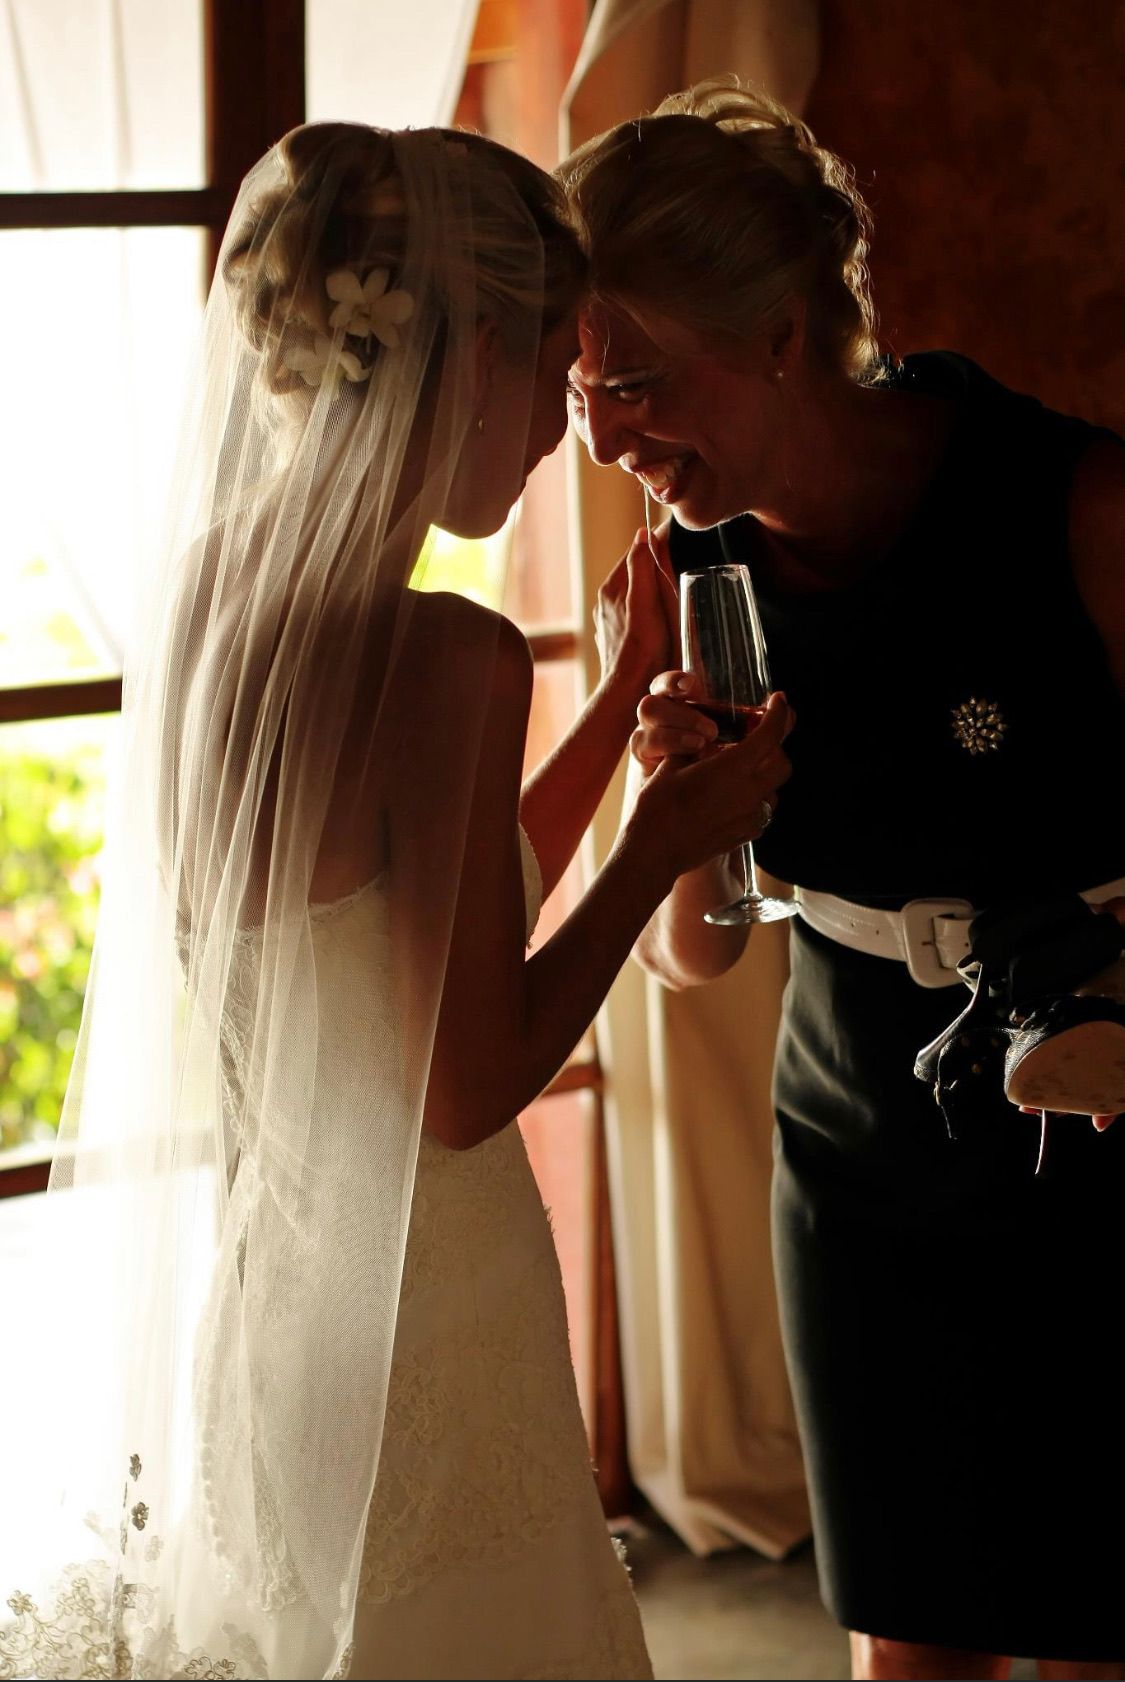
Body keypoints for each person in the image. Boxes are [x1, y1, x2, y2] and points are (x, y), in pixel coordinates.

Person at [0, 122, 794, 1681]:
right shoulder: (448, 657)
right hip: (433, 1329)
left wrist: (618, 702)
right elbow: (465, 1083)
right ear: (470, 353)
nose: (557, 435)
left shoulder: (216, 592)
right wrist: (660, 847)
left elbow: (413, 912)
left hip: (285, 1315)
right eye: (548, 375)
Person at [558, 78, 1125, 1682]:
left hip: (1095, 1095)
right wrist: (676, 807)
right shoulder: (682, 577)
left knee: (1101, 1607)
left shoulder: (1071, 503)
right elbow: (696, 954)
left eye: (633, 382)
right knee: (908, 1628)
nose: (603, 439)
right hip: (856, 1127)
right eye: (582, 394)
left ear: (780, 333)